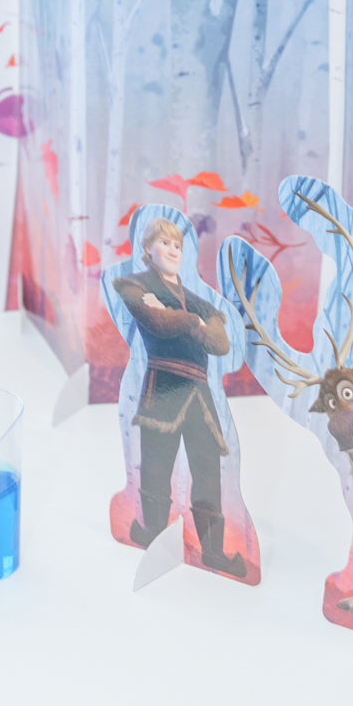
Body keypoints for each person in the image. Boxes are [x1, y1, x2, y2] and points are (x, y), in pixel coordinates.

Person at [112, 216, 247, 578]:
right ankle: (151, 535)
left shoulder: (200, 303)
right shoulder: (134, 286)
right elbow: (157, 324)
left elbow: (220, 343)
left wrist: (182, 317)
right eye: (165, 243)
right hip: (164, 386)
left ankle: (213, 552)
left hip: (200, 394)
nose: (173, 250)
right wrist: (193, 323)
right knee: (156, 467)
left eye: (177, 245)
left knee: (208, 471)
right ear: (147, 248)